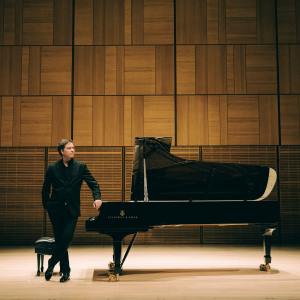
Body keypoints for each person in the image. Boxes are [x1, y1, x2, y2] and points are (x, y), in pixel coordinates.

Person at [41, 139, 102, 282]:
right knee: (60, 240)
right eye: (69, 148)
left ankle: (51, 263)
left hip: (72, 210)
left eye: (73, 148)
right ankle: (66, 272)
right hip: (55, 210)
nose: (73, 150)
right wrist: (47, 205)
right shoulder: (53, 168)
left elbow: (94, 184)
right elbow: (45, 189)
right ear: (62, 151)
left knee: (67, 237)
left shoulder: (81, 167)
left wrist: (97, 198)